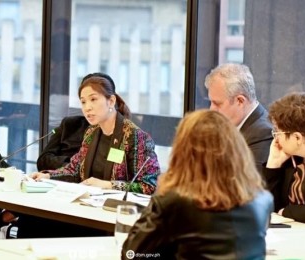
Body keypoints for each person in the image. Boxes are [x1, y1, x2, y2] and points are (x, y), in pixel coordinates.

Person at [122, 110, 273, 259]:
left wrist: (161, 193)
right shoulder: (263, 200)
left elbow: (131, 254)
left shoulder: (173, 203)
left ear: (183, 152)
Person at [31, 73, 160, 195]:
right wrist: (47, 176)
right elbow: (75, 169)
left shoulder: (136, 137)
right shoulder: (91, 133)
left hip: (118, 211)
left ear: (111, 101)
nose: (87, 107)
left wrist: (107, 185)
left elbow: (149, 186)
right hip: (88, 204)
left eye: (93, 99)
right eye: (83, 102)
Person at [205, 63, 273, 172]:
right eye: (211, 102)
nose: (211, 109)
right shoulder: (233, 127)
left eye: (217, 103)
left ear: (240, 101)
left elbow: (245, 184)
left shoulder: (264, 133)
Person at [264, 92, 305, 224]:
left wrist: (287, 212)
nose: (275, 138)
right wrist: (273, 164)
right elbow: (266, 205)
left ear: (297, 138)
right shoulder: (293, 160)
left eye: (278, 132)